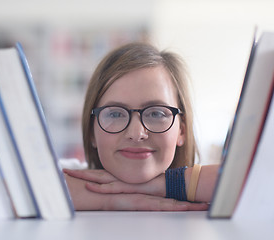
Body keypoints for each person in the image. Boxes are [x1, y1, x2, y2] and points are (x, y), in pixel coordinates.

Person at [63, 42, 219, 211]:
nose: (136, 133)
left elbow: (250, 183)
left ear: (181, 131)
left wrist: (172, 184)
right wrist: (108, 200)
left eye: (156, 114)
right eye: (115, 114)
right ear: (91, 133)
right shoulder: (66, 175)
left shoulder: (208, 194)